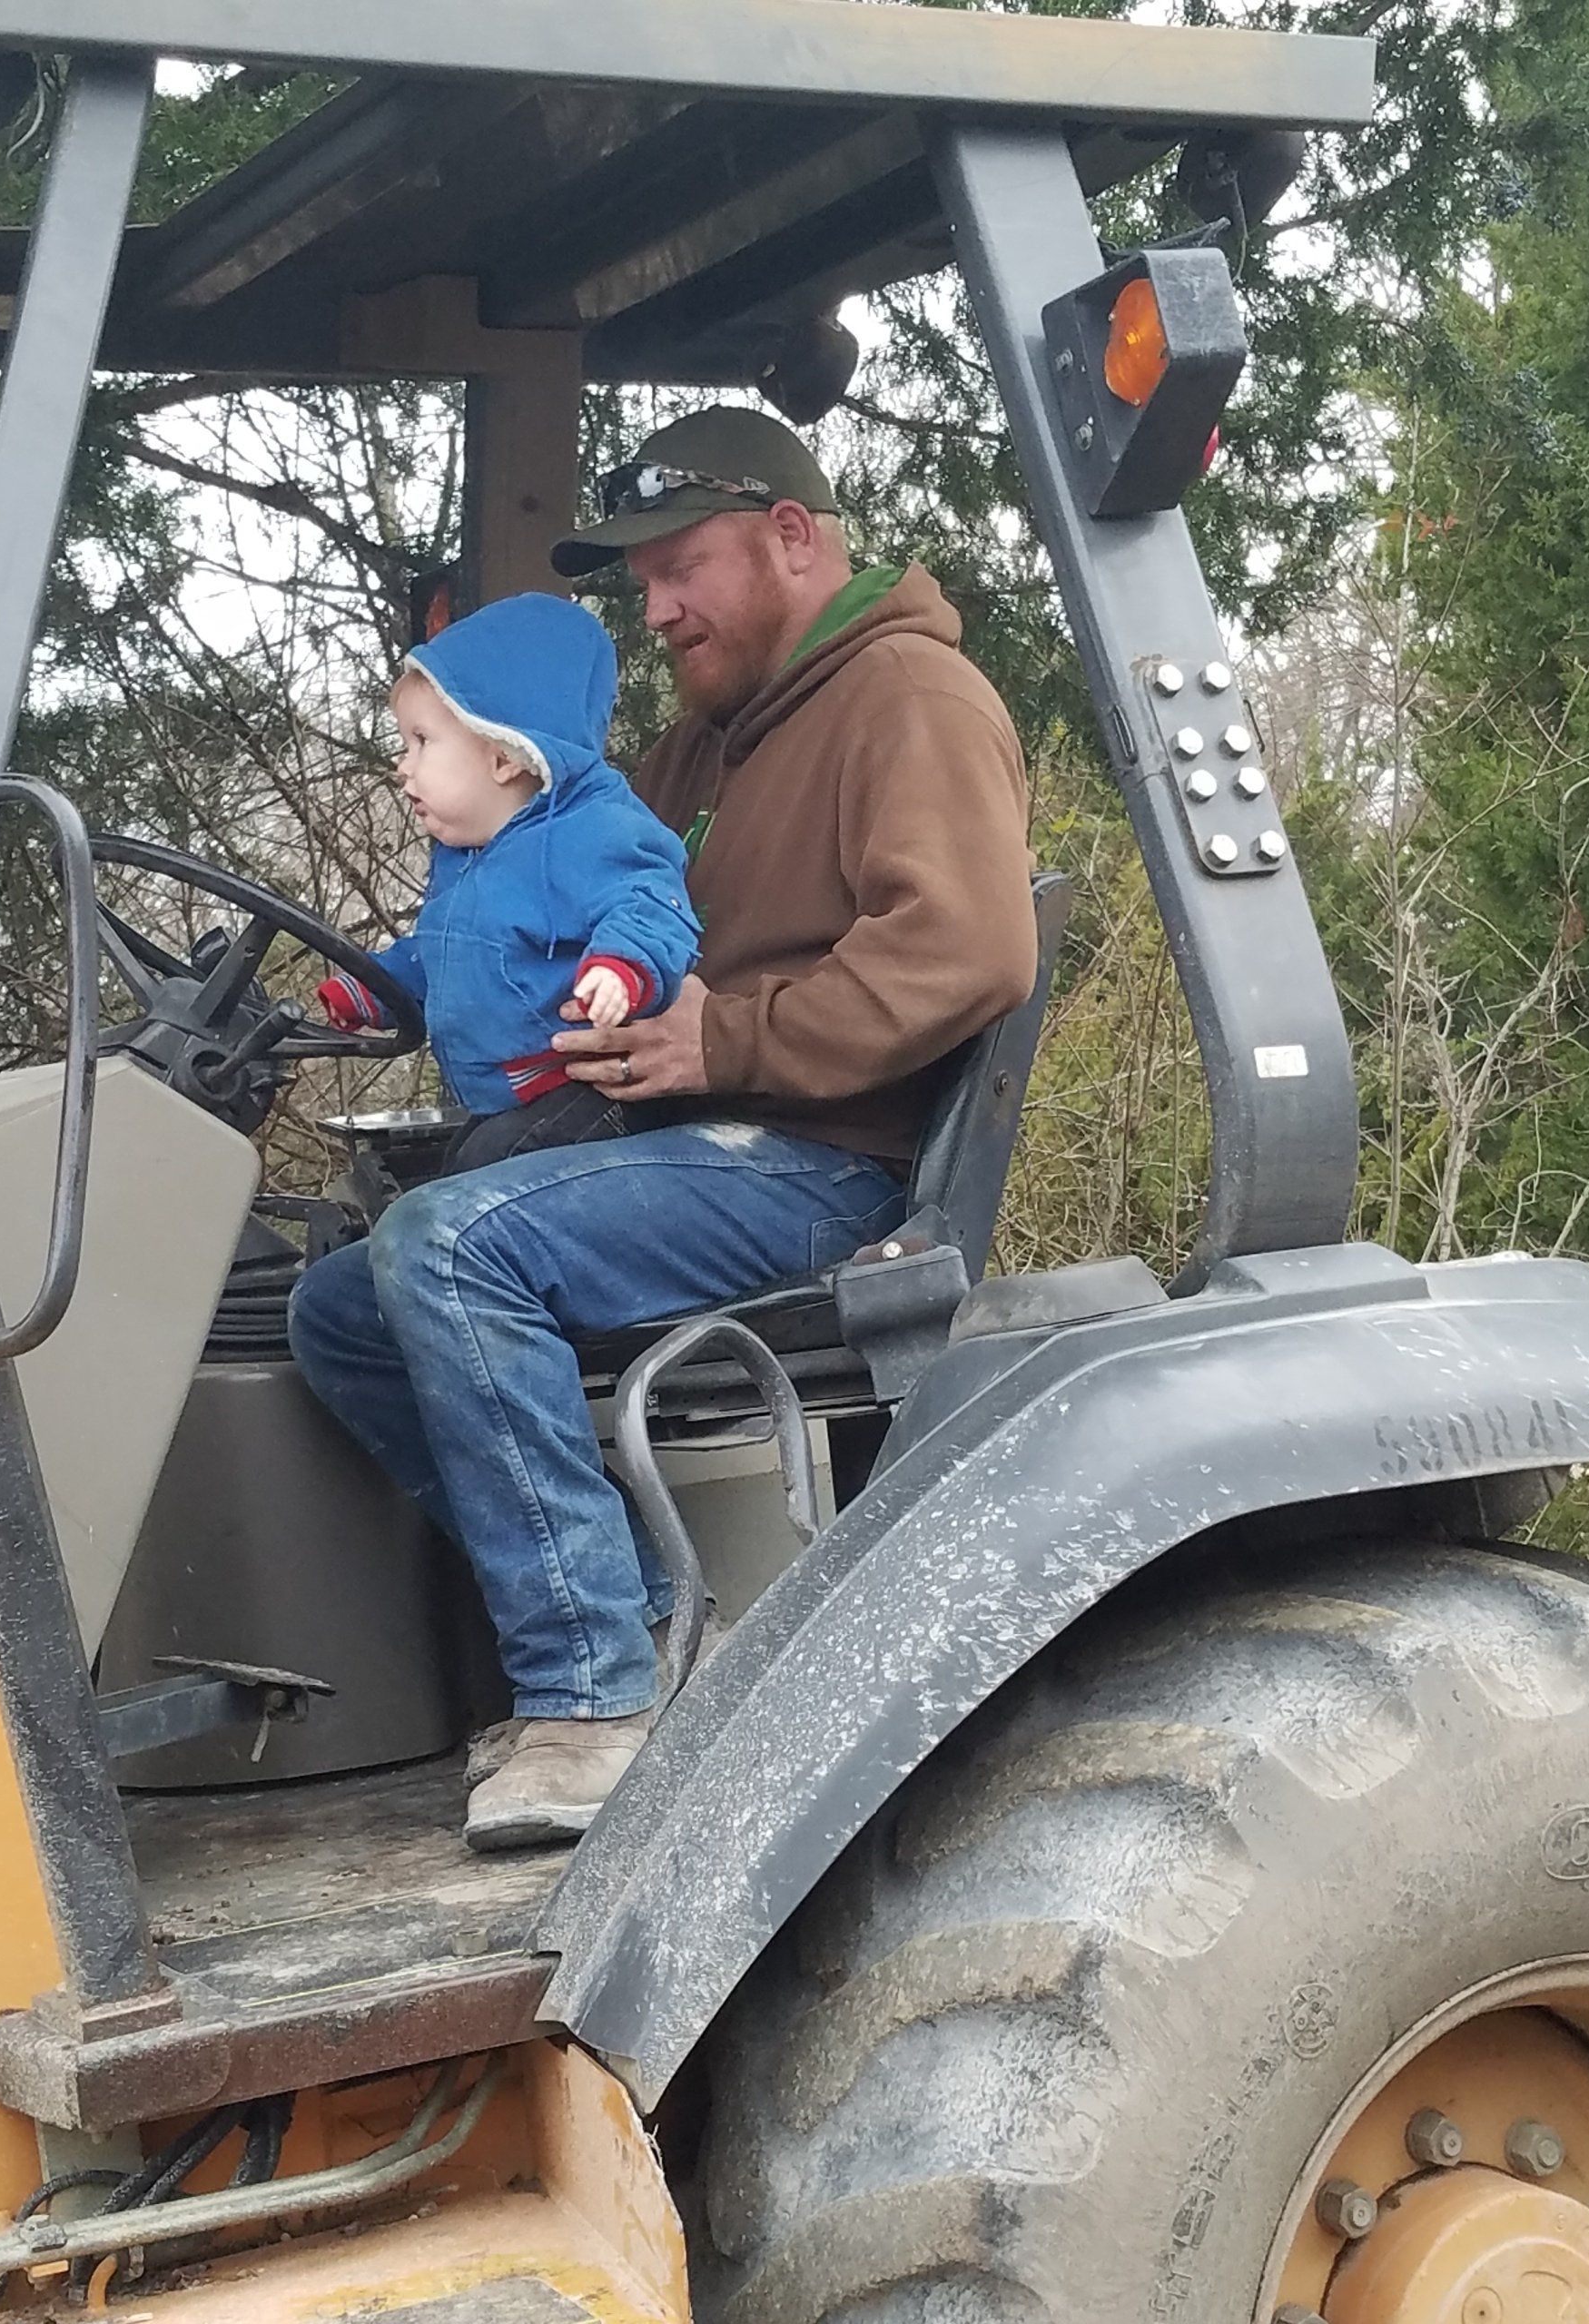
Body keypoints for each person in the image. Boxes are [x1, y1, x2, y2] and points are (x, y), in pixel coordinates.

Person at [288, 407, 1039, 1851]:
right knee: (339, 1307)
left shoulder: (909, 701)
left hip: (817, 1166)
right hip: (677, 1142)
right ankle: (634, 1618)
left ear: (792, 537)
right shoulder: (707, 745)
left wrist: (729, 1038)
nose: (661, 607)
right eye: (643, 584)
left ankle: (594, 1695)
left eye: (681, 568)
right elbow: (565, 874)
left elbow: (968, 951)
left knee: (447, 1250)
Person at [316, 592, 700, 1174]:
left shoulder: (591, 829)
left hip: (580, 1093)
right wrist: (373, 989)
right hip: (504, 1103)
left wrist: (622, 968)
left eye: (421, 741)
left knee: (461, 1192)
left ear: (504, 757)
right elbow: (443, 955)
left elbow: (651, 904)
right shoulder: (469, 855)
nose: (403, 764)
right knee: (424, 1185)